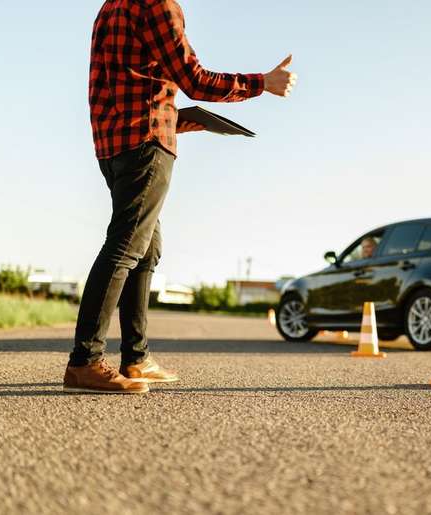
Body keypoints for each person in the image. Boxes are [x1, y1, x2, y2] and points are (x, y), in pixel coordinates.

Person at [64, 0, 297, 394]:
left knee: (146, 248)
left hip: (113, 145)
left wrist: (185, 119)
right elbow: (195, 79)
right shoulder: (158, 4)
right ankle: (85, 361)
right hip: (146, 146)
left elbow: (126, 88)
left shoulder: (111, 7)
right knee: (125, 246)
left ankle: (135, 358)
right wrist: (263, 83)